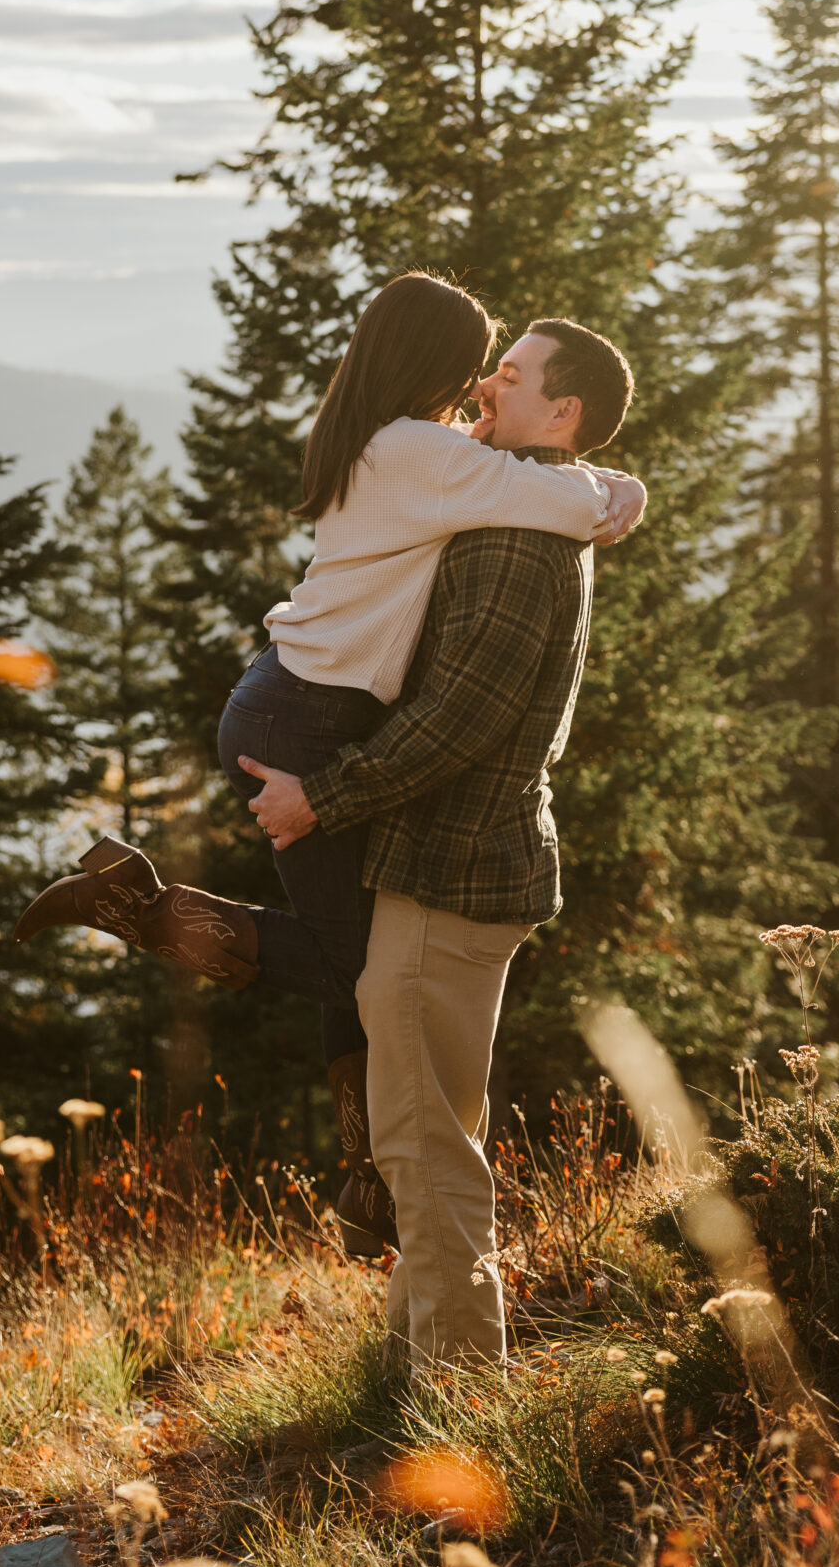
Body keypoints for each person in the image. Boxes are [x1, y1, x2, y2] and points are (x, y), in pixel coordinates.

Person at [13, 272, 644, 1257]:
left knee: (353, 960)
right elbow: (552, 495)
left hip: (291, 702)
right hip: (305, 722)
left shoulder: (395, 443)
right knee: (359, 965)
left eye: (503, 369)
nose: (483, 381)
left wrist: (599, 478)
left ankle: (364, 1182)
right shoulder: (423, 452)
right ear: (432, 361)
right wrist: (618, 486)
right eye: (478, 358)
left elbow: (523, 474)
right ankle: (140, 914)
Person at [244, 313, 634, 1374]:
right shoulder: (524, 502)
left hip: (452, 864)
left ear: (564, 412)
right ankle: (405, 1368)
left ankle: (459, 1401)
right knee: (427, 1125)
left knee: (424, 1144)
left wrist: (322, 794)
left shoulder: (517, 534)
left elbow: (459, 717)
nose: (484, 386)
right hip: (462, 862)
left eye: (511, 376)